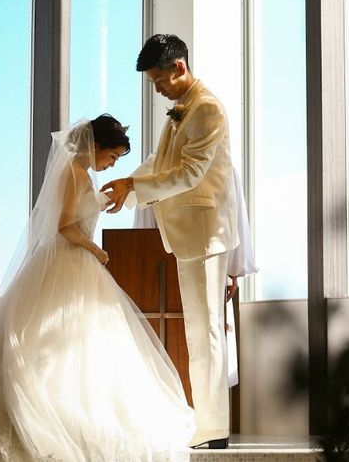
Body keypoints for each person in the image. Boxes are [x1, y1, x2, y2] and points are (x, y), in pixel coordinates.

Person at [0, 115, 195, 462]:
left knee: (79, 343)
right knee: (66, 341)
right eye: (112, 157)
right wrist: (95, 249)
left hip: (72, 263)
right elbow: (65, 226)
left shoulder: (79, 172)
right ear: (95, 146)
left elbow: (75, 215)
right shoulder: (75, 172)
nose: (111, 164)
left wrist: (102, 202)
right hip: (70, 261)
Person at [101, 35, 242, 450]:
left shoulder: (207, 109)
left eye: (160, 80)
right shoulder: (182, 110)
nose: (158, 89)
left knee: (207, 332)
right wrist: (128, 184)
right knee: (198, 333)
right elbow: (160, 163)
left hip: (206, 233)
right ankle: (208, 424)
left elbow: (190, 173)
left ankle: (214, 427)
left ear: (179, 67)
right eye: (153, 83)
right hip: (189, 235)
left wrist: (133, 187)